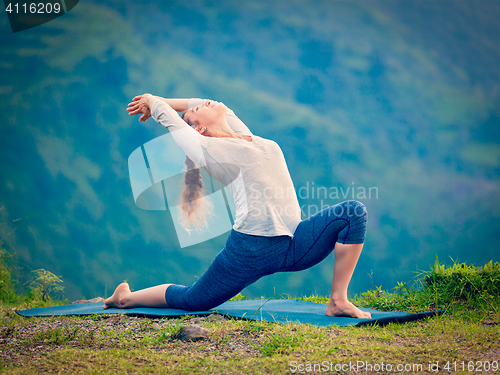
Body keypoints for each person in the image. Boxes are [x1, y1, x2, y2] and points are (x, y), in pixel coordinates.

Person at [104, 94, 371, 319]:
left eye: (204, 103)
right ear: (199, 130)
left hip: (294, 243)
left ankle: (337, 301)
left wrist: (168, 100)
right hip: (251, 249)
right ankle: (125, 298)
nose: (206, 103)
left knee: (353, 213)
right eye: (199, 109)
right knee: (193, 299)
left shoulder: (246, 136)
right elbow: (171, 121)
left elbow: (211, 105)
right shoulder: (206, 148)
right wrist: (153, 101)